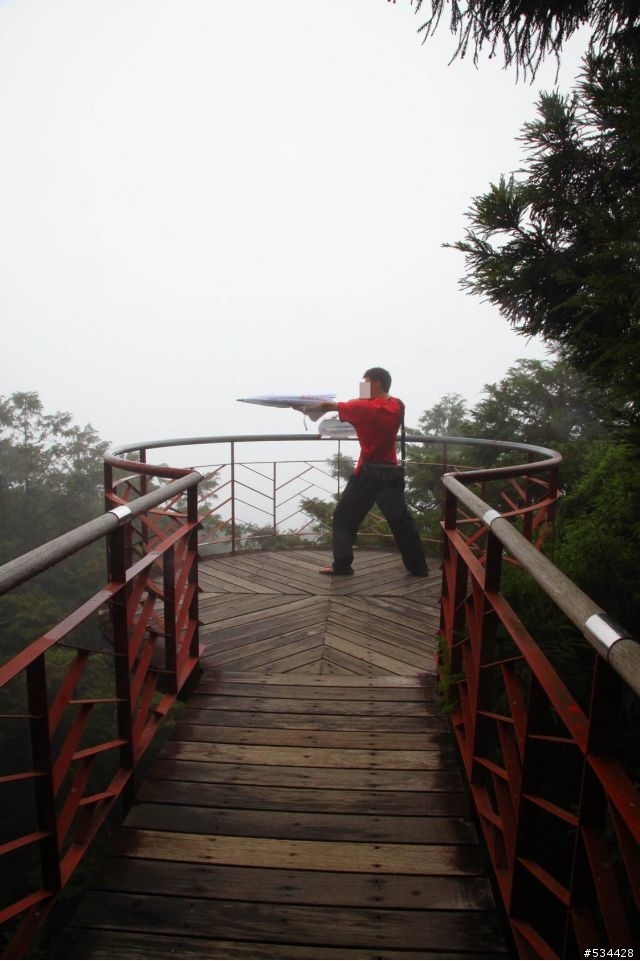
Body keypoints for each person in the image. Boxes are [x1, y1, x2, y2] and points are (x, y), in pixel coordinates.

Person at [298, 367, 429, 577]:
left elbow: (329, 405)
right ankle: (418, 567)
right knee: (401, 522)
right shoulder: (397, 405)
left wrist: (304, 408)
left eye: (365, 382)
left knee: (343, 519)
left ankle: (342, 566)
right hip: (390, 473)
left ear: (376, 383)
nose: (362, 387)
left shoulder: (362, 407)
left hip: (367, 474)